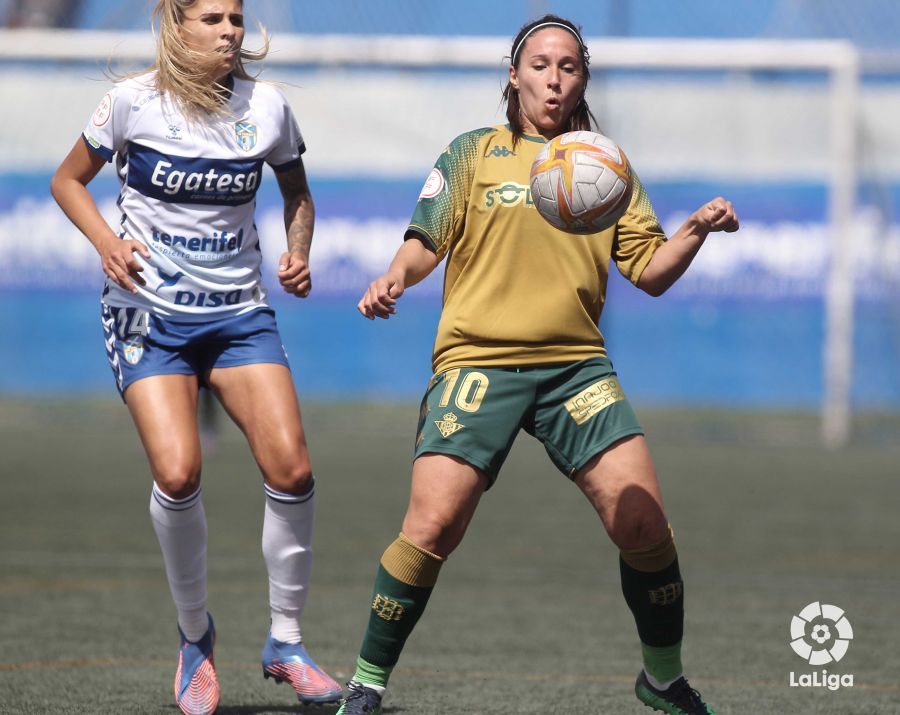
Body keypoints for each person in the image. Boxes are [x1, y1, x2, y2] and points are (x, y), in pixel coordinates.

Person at [339, 14, 738, 715]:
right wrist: (395, 275)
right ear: (514, 76)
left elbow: (650, 271)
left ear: (583, 80)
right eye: (540, 65)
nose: (554, 79)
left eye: (568, 67)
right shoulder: (473, 152)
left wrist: (696, 230)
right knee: (432, 526)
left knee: (643, 524)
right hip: (478, 361)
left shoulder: (607, 166)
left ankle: (663, 678)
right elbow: (425, 239)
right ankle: (366, 684)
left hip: (574, 367)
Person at [50, 2, 342, 713]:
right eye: (212, 18)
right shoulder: (131, 103)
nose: (229, 31)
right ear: (177, 25)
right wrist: (107, 244)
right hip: (149, 316)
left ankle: (286, 642)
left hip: (238, 316)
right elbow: (67, 181)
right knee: (179, 473)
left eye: (236, 17)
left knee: (294, 470)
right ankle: (194, 637)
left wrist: (298, 250)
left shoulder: (268, 108)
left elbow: (297, 193)